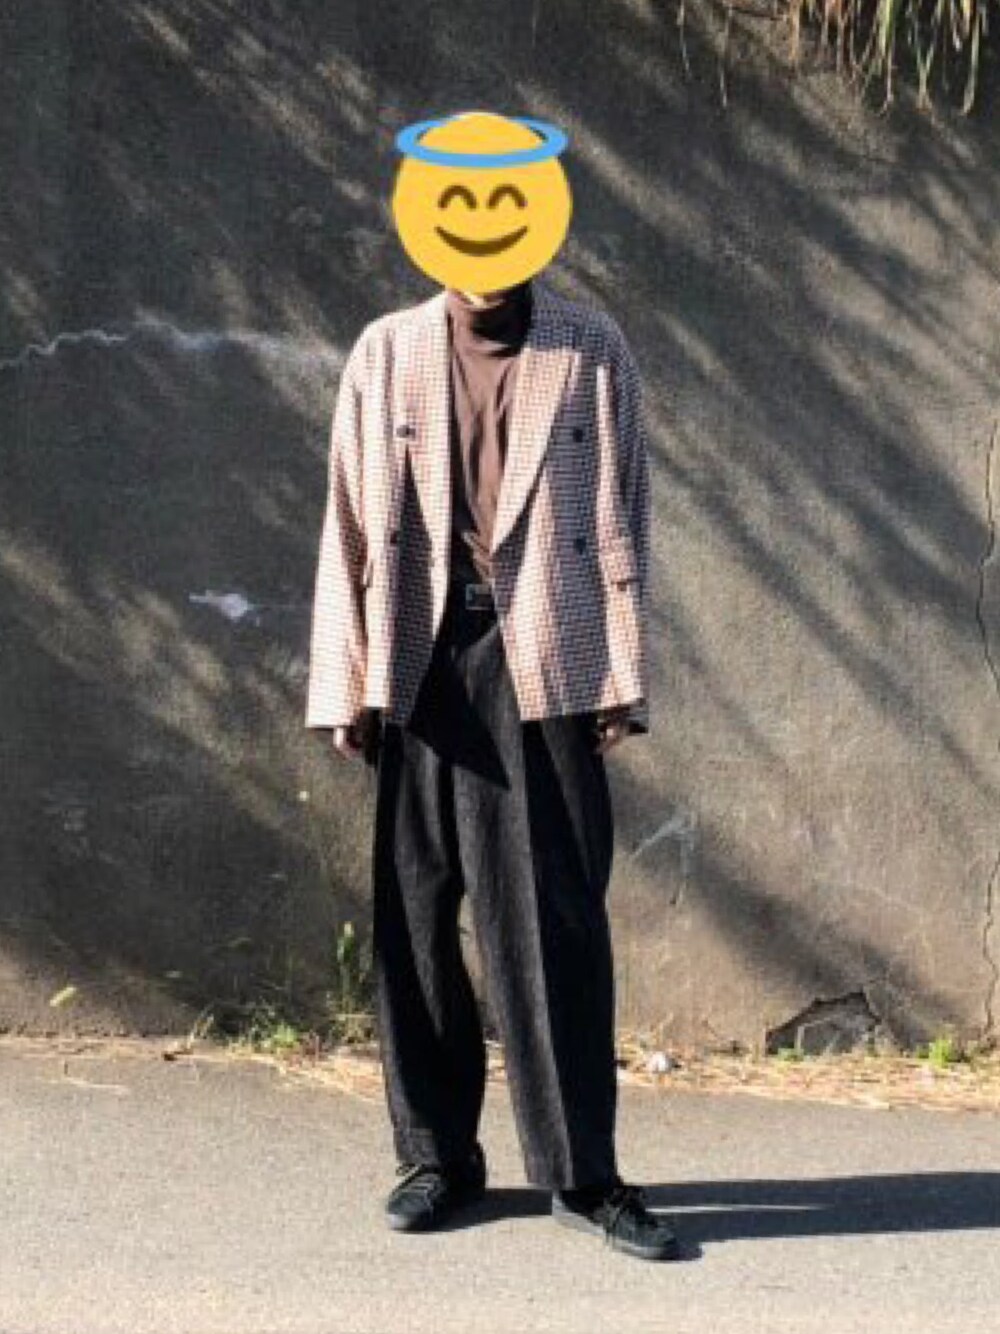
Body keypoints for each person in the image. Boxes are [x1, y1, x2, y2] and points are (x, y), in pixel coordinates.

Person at [305, 271, 681, 1262]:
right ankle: (436, 1156)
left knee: (554, 921)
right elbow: (347, 522)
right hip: (419, 651)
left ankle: (582, 1172)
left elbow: (626, 512)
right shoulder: (386, 350)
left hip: (542, 652)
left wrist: (620, 671)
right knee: (417, 917)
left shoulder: (589, 347)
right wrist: (345, 681)